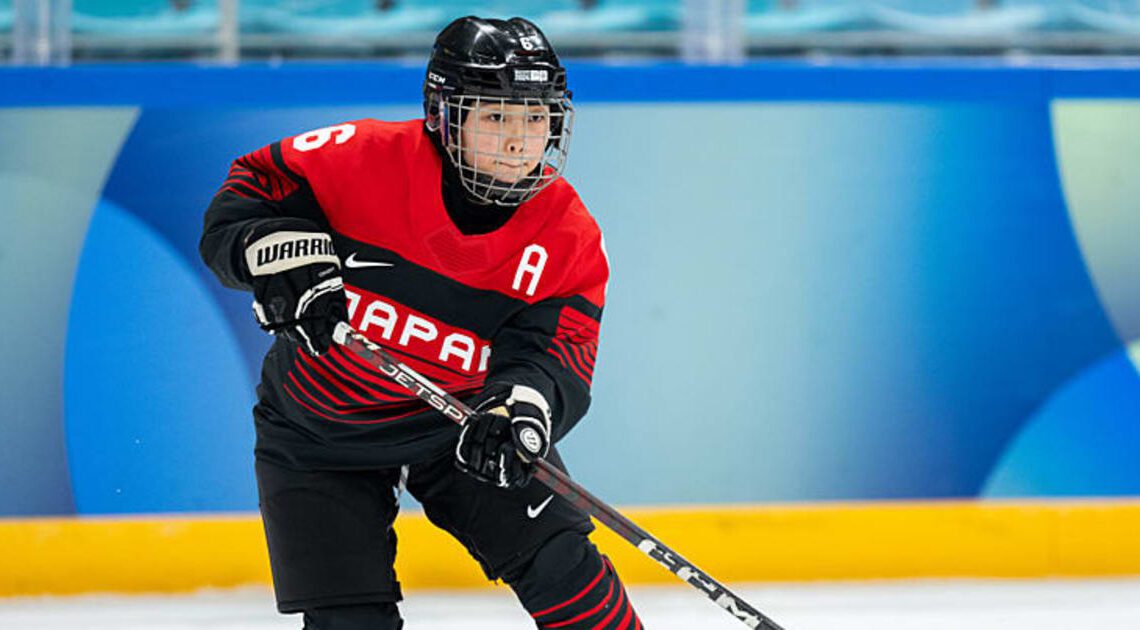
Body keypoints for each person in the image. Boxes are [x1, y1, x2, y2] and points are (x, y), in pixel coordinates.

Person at [199, 16, 643, 630]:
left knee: (566, 568)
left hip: (456, 424)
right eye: (496, 117)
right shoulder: (359, 160)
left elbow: (553, 356)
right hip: (318, 429)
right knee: (349, 622)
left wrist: (518, 412)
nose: (520, 141)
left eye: (536, 118)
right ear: (442, 114)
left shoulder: (566, 236)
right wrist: (274, 251)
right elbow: (246, 196)